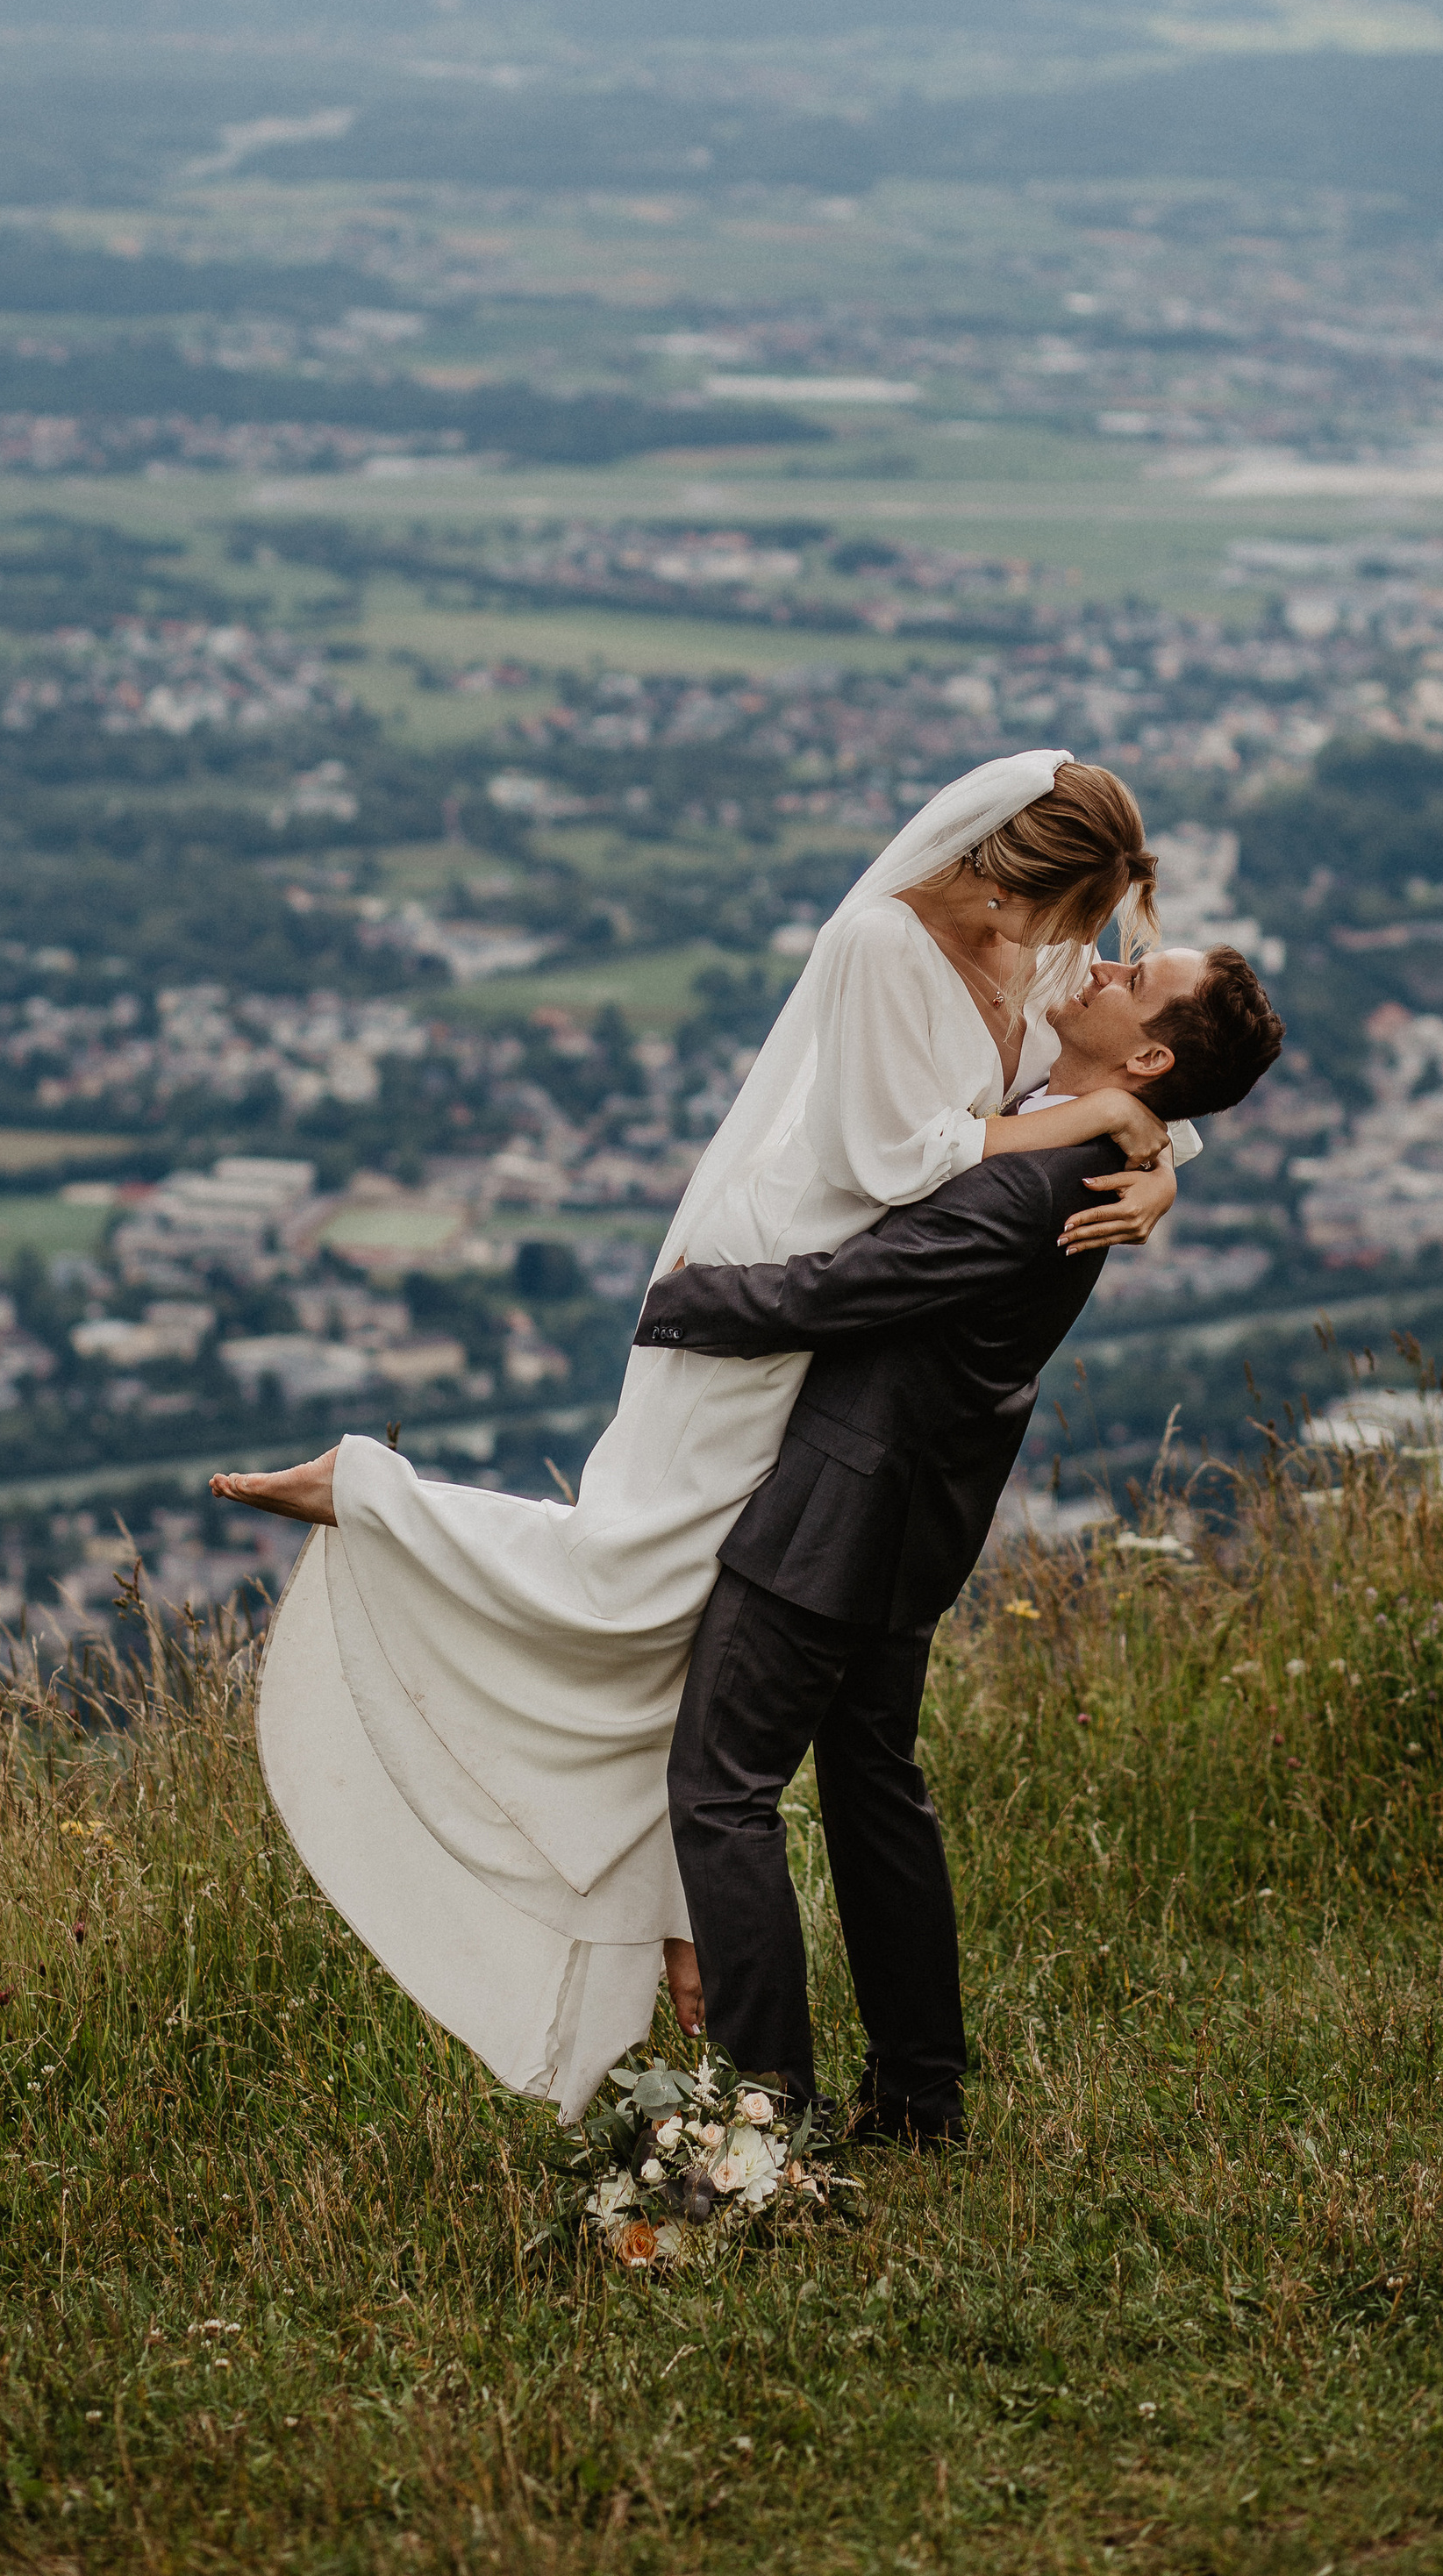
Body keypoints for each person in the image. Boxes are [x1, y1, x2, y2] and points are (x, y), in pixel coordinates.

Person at [215, 753, 1197, 2120]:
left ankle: (734, 2013)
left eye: (1096, 938)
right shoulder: (881, 942)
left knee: (694, 1632)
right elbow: (895, 1165)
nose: (1072, 954)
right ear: (997, 866)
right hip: (783, 1269)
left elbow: (1109, 1090)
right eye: (1060, 917)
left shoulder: (1026, 969)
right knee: (646, 1567)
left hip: (824, 1328)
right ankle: (374, 1496)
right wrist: (1118, 1125)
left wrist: (1156, 1158)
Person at [639, 943, 1286, 2141]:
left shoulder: (1036, 1183)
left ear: (1145, 1056)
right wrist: (1159, 1147)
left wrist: (680, 1299)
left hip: (840, 1518)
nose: (1102, 962)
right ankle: (920, 2098)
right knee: (874, 1786)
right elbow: (1140, 1114)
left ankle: (764, 2122)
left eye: (1135, 973)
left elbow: (848, 1290)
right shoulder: (1079, 1126)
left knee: (722, 1788)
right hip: (915, 1514)